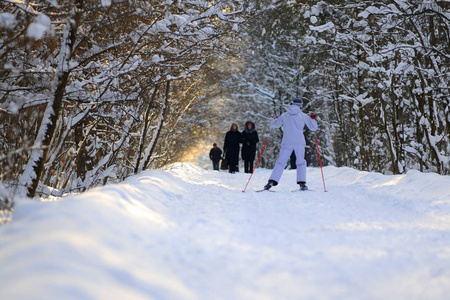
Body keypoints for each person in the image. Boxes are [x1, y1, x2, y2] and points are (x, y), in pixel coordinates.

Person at [264, 98, 318, 191]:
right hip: (299, 141)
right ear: (300, 105)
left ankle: (271, 182)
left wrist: (276, 119)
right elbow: (313, 127)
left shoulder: (285, 115)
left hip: (287, 141)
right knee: (300, 162)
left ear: (291, 104)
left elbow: (274, 125)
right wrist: (313, 119)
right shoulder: (302, 115)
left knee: (281, 161)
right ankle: (302, 183)